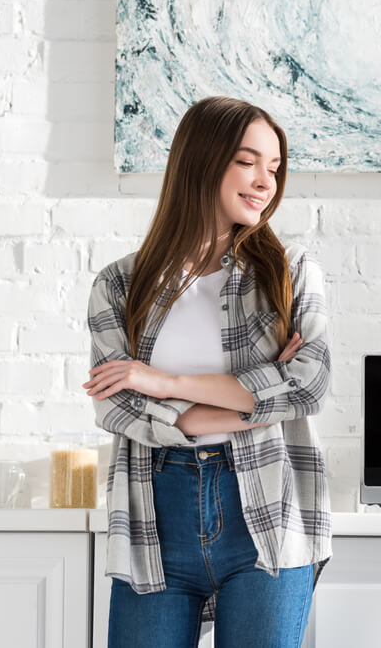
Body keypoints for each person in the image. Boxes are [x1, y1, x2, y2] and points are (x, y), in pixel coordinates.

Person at [83, 96, 332, 647]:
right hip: (156, 515)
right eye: (248, 162)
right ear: (202, 160)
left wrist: (161, 383)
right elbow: (115, 405)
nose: (266, 181)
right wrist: (252, 404)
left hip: (264, 511)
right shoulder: (120, 285)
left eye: (274, 168)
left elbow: (308, 384)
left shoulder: (290, 272)